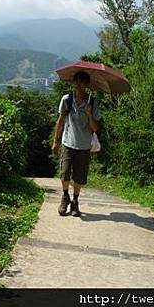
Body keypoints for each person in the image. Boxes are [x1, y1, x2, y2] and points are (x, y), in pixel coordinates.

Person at [51, 71, 99, 216]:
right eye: (77, 81)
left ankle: (75, 201)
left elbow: (95, 128)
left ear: (87, 85)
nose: (79, 85)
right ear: (73, 82)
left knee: (79, 176)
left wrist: (89, 113)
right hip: (67, 142)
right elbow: (60, 121)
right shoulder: (67, 99)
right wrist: (55, 141)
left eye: (82, 82)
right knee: (65, 173)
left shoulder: (92, 102)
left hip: (84, 145)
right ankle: (65, 197)